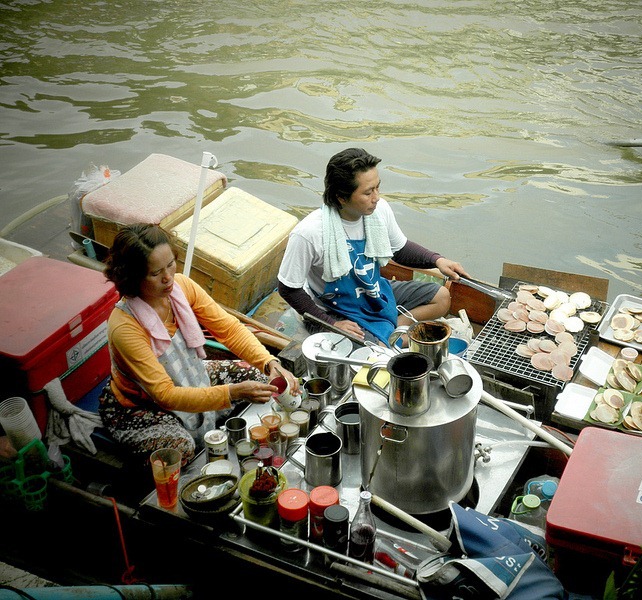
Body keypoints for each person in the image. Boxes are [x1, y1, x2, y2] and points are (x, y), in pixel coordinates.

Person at [99, 224, 299, 465]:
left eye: (171, 264)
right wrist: (231, 393)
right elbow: (165, 395)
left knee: (259, 376)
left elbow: (230, 329)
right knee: (180, 449)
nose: (168, 277)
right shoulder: (125, 327)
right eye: (155, 273)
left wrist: (270, 363)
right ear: (132, 278)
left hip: (191, 375)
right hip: (141, 405)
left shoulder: (182, 287)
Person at [277, 148, 469, 346]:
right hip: (335, 309)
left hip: (372, 289)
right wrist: (332, 323)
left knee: (442, 298)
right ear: (341, 197)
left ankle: (390, 332)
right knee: (374, 351)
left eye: (377, 187)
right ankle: (387, 339)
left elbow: (400, 249)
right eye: (368, 192)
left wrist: (437, 260)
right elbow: (288, 288)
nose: (376, 197)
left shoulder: (379, 210)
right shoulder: (309, 233)